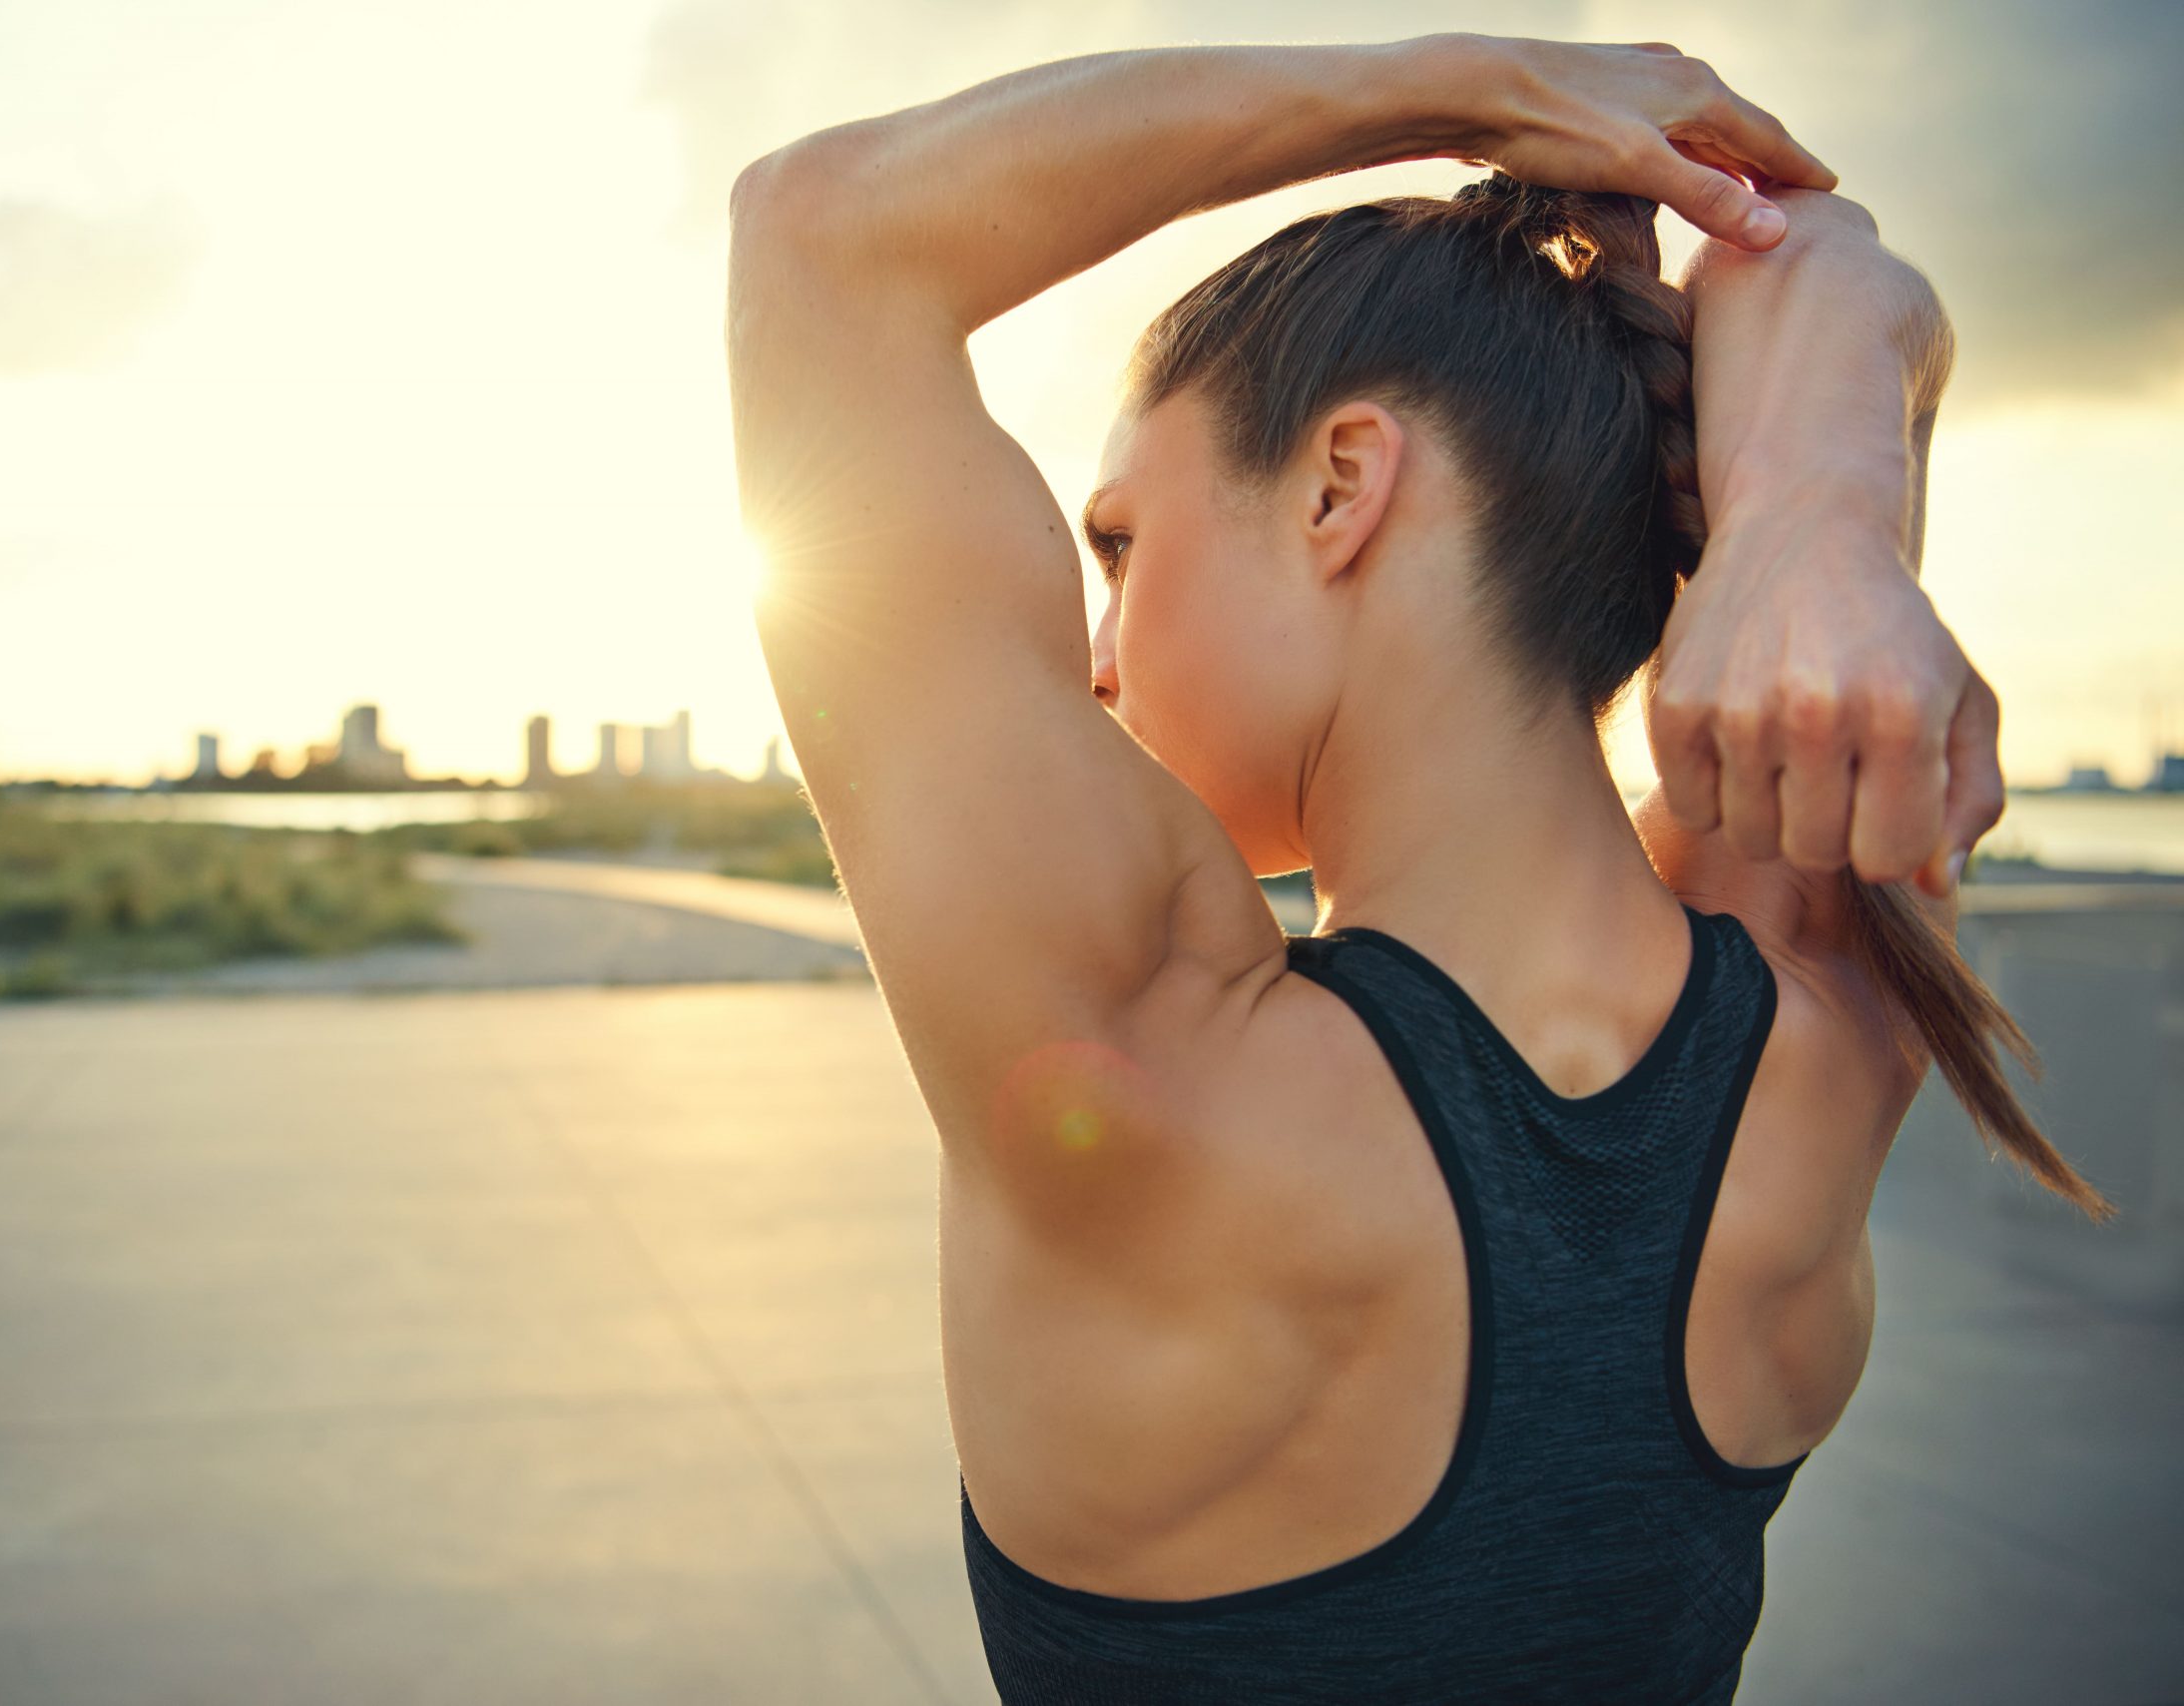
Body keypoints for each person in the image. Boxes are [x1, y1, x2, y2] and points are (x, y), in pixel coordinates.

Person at [724, 33, 2112, 1705]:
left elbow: (821, 236)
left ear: (1339, 486)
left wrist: (1464, 85)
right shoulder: (1822, 1026)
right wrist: (1812, 508)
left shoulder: (1149, 1055)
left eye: (1121, 545)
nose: (1098, 655)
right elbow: (1824, 257)